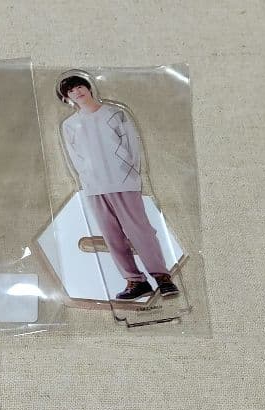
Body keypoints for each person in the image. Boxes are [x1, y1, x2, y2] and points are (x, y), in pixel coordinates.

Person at [57, 73, 179, 301]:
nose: (77, 92)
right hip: (94, 187)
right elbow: (75, 157)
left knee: (140, 230)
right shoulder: (70, 125)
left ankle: (162, 278)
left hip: (124, 182)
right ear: (67, 97)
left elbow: (132, 146)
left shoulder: (115, 114)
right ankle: (135, 281)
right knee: (111, 235)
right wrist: (88, 180)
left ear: (89, 87)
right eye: (71, 91)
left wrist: (129, 175)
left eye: (79, 86)